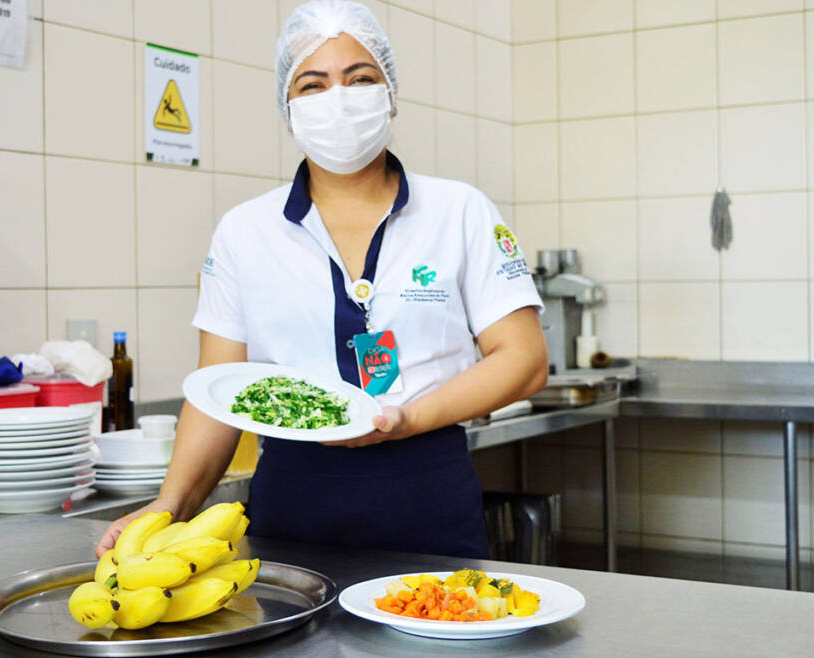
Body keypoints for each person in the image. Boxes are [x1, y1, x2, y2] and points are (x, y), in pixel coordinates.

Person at [97, 0, 547, 560]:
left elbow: (524, 359)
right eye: (312, 85)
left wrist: (406, 419)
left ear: (390, 95)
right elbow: (219, 390)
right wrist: (168, 505)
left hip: (429, 496)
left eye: (359, 79)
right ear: (288, 112)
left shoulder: (460, 211)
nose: (338, 99)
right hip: (293, 502)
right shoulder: (245, 232)